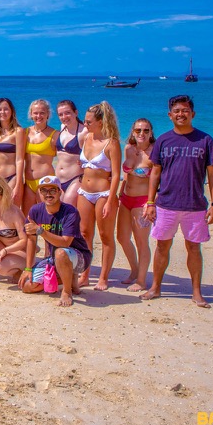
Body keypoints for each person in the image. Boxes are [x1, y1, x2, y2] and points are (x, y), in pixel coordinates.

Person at [141, 95, 213, 308]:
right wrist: (150, 202)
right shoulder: (163, 140)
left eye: (185, 110)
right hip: (166, 204)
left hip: (195, 205)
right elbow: (155, 172)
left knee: (194, 248)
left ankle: (196, 292)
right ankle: (155, 287)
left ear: (192, 114)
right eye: (177, 111)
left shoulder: (205, 140)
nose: (181, 114)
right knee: (162, 246)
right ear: (170, 115)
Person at [19, 175, 92, 308]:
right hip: (54, 258)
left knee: (61, 252)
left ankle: (67, 291)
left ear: (60, 192)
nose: (48, 194)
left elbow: (65, 243)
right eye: (44, 190)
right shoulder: (35, 211)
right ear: (39, 193)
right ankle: (68, 278)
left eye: (52, 190)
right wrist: (28, 268)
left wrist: (41, 231)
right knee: (27, 286)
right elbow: (31, 241)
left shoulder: (70, 212)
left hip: (79, 257)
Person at [77, 101, 123, 291]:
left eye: (89, 122)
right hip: (84, 192)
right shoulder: (86, 137)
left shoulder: (112, 143)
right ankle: (85, 274)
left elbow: (116, 175)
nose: (85, 124)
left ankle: (103, 277)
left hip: (104, 193)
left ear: (100, 122)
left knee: (105, 235)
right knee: (84, 234)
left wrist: (111, 200)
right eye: (85, 121)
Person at [117, 119, 156, 292]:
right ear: (133, 131)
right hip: (126, 198)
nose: (142, 134)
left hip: (143, 201)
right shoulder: (129, 149)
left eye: (146, 130)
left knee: (141, 241)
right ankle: (134, 270)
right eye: (138, 130)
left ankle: (141, 280)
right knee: (122, 237)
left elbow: (158, 179)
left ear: (151, 132)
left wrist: (151, 202)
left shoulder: (155, 151)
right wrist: (120, 191)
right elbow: (126, 175)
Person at [0, 98, 26, 208]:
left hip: (11, 177)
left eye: (6, 109)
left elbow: (20, 159)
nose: (2, 112)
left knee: (10, 211)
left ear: (12, 111)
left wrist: (18, 184)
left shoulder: (18, 131)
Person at [23, 99, 58, 214]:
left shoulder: (55, 135)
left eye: (42, 113)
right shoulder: (25, 133)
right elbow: (14, 154)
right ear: (31, 114)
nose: (39, 116)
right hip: (28, 182)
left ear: (48, 114)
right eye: (35, 113)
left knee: (47, 217)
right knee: (28, 217)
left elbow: (66, 157)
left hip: (46, 182)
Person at [55, 100, 86, 207]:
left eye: (67, 113)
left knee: (68, 210)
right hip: (59, 180)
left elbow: (98, 151)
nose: (64, 117)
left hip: (75, 179)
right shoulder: (62, 127)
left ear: (76, 113)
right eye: (60, 114)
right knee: (58, 212)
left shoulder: (84, 132)